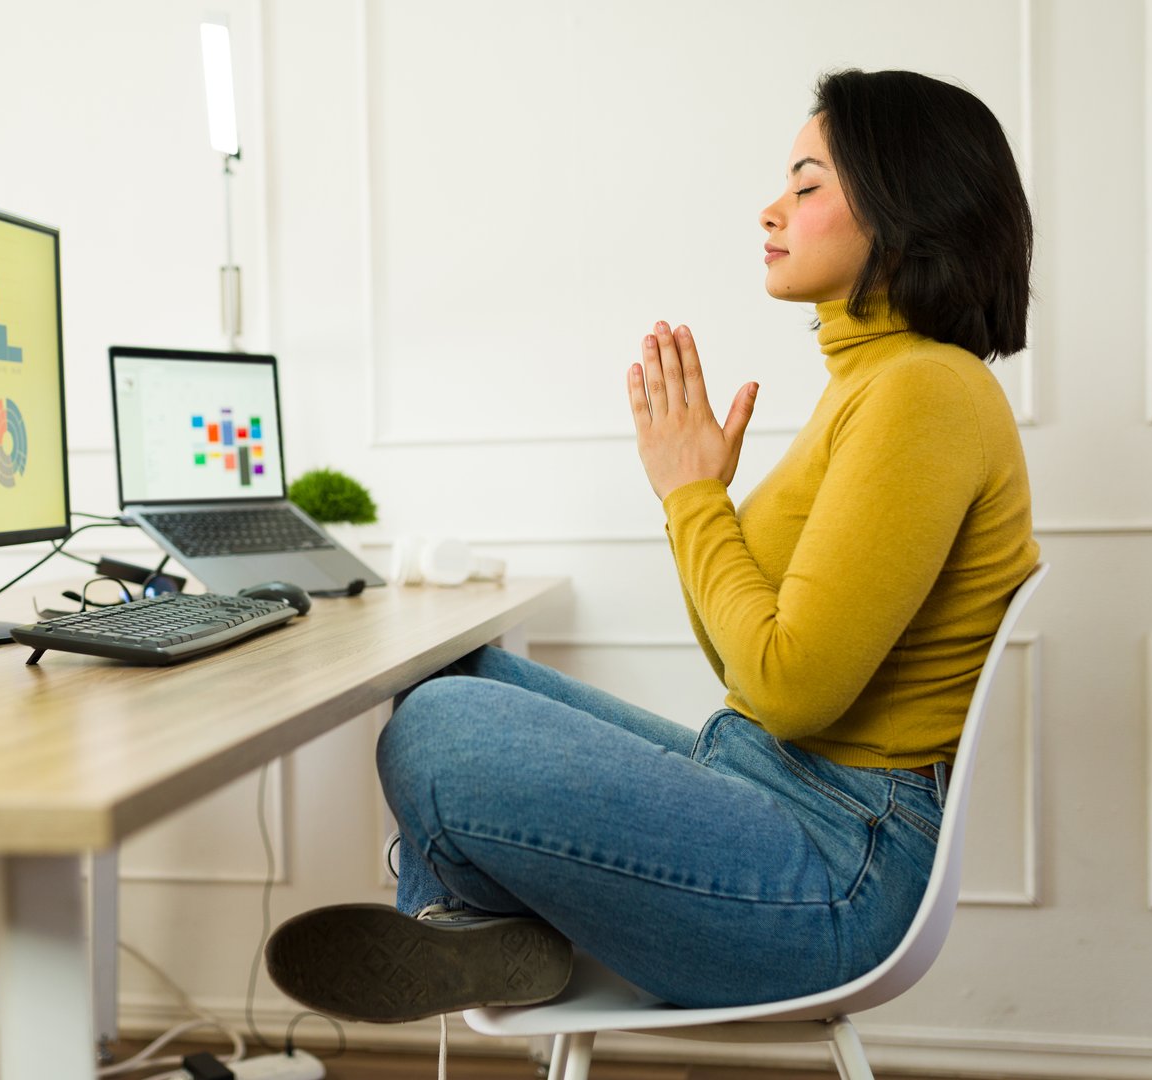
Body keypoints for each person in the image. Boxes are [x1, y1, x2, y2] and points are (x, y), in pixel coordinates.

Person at [265, 68, 1039, 1023]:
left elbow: (789, 689)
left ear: (904, 206)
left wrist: (691, 499)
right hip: (783, 792)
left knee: (436, 731)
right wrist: (695, 500)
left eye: (805, 185)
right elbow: (740, 668)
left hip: (841, 875)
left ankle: (470, 917)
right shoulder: (877, 381)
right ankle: (475, 929)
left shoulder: (921, 393)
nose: (770, 209)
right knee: (454, 672)